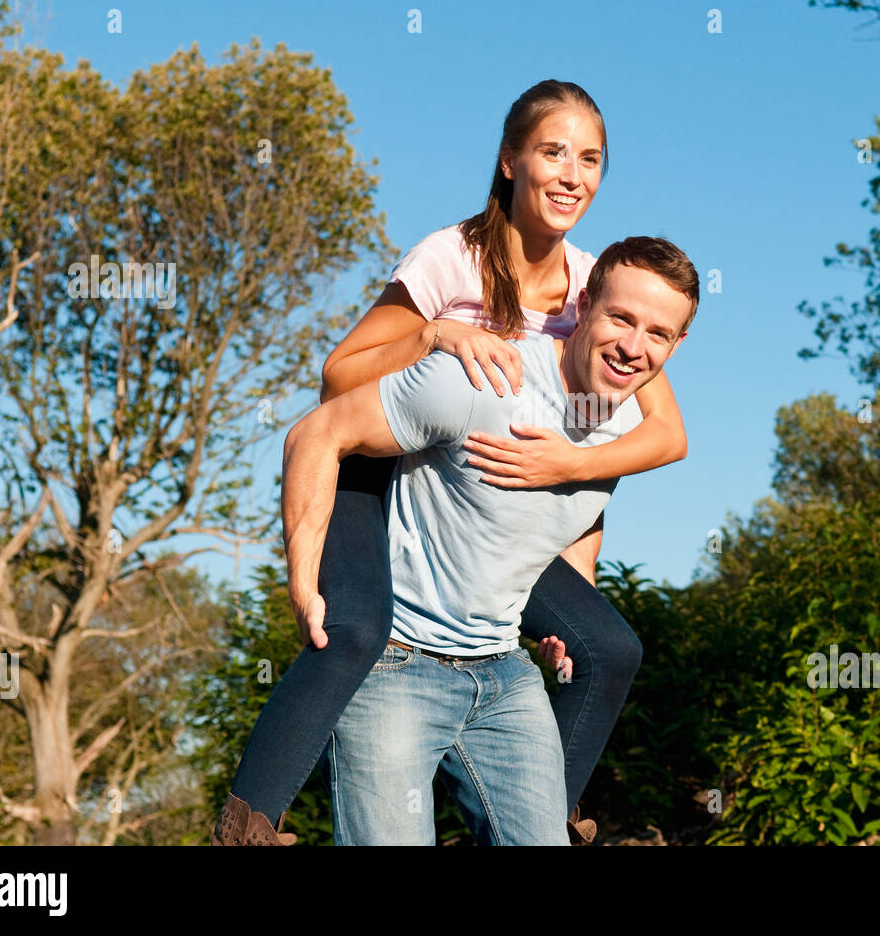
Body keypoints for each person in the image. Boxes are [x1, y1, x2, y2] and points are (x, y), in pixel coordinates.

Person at [213, 80, 688, 846]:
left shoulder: (602, 291)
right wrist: (435, 334)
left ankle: (539, 813)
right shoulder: (453, 255)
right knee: (358, 630)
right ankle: (249, 822)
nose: (573, 175)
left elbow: (655, 439)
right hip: (386, 459)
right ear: (510, 160)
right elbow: (340, 379)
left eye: (591, 159)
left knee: (608, 646)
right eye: (553, 152)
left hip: (503, 492)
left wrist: (566, 468)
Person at [294, 237, 698, 844]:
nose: (633, 347)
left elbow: (579, 518)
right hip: (398, 669)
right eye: (620, 318)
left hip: (504, 678)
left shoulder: (630, 425)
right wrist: (303, 582)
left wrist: (572, 616)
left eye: (658, 333)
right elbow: (316, 434)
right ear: (585, 304)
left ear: (677, 344)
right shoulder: (482, 380)